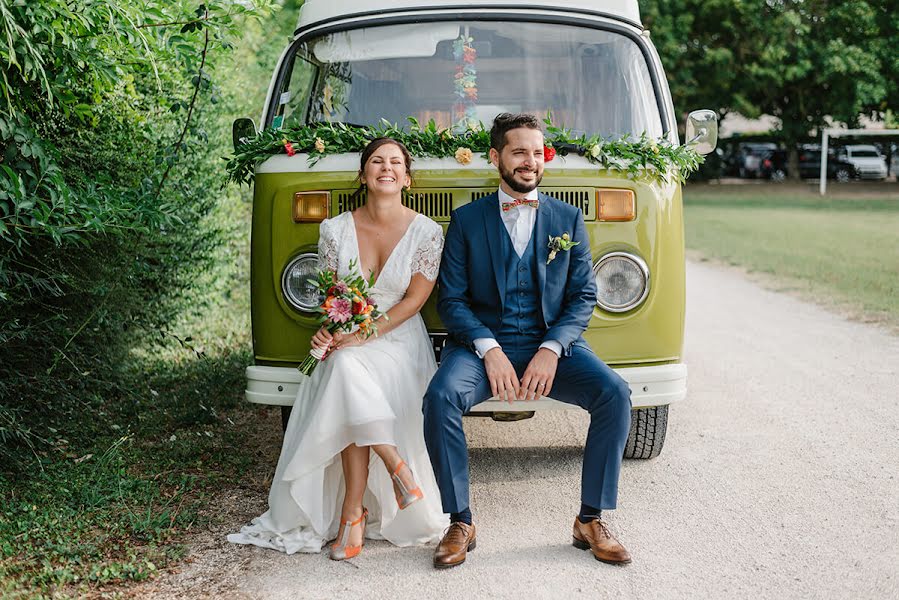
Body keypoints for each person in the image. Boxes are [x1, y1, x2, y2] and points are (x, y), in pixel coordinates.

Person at [423, 113, 633, 569]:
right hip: (482, 350)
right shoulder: (466, 221)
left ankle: (590, 519)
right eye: (519, 152)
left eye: (537, 153)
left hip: (550, 348)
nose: (530, 162)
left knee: (614, 393)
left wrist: (551, 348)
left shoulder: (567, 218)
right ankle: (460, 521)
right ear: (496, 157)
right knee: (440, 397)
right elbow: (452, 301)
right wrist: (489, 348)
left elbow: (583, 296)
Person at [229, 138, 447, 559]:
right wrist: (326, 333)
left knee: (345, 369)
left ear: (407, 178)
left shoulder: (426, 232)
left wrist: (364, 334)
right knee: (345, 364)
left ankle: (353, 511)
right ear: (363, 173)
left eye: (395, 163)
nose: (386, 168)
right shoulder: (334, 229)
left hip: (398, 337)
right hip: (350, 337)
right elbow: (334, 302)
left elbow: (413, 302)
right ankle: (393, 465)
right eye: (377, 161)